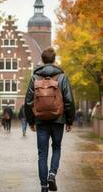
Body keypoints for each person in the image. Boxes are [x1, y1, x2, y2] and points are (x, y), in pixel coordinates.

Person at [25, 47, 75, 192]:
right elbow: (69, 100)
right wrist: (70, 120)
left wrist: (31, 121)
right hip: (58, 119)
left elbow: (28, 101)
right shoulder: (61, 77)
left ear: (42, 60)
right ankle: (52, 174)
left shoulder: (35, 77)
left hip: (40, 120)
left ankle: (44, 186)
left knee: (42, 153)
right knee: (57, 147)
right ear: (54, 60)